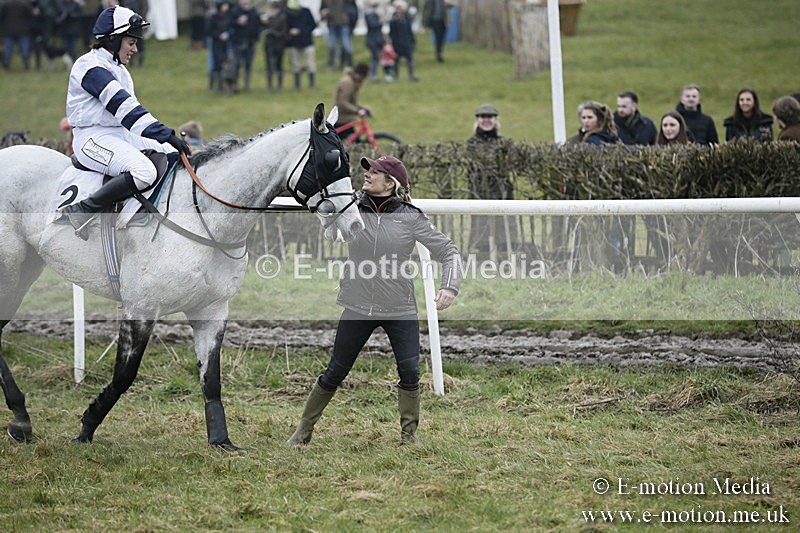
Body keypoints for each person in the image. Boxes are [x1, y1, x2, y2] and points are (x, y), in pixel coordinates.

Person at [286, 155, 461, 446]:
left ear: (390, 183)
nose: (366, 174)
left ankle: (409, 436)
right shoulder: (350, 206)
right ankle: (302, 431)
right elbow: (326, 215)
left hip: (399, 308)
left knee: (410, 373)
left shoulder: (410, 216)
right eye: (368, 170)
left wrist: (450, 287)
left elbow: (449, 250)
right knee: (335, 372)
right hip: (357, 305)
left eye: (375, 172)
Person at [62, 6, 190, 239]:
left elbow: (132, 118)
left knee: (174, 154)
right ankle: (83, 209)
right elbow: (125, 108)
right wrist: (166, 133)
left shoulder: (119, 70)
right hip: (91, 139)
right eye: (131, 42)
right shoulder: (89, 66)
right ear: (113, 39)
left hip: (118, 133)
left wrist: (168, 140)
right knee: (144, 172)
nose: (135, 49)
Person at [466, 103, 516, 256]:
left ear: (496, 119)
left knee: (505, 233)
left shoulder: (504, 142)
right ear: (477, 120)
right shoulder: (472, 143)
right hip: (480, 191)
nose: (486, 120)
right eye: (483, 117)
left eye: (490, 117)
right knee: (482, 233)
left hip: (503, 192)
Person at [334, 62, 371, 139]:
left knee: (354, 143)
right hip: (342, 119)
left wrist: (361, 108)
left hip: (346, 118)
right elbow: (343, 102)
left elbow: (351, 103)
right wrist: (357, 111)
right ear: (359, 75)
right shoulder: (347, 83)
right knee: (354, 145)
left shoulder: (352, 82)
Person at [286, 0, 316, 91]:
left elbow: (313, 25)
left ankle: (312, 85)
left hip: (307, 42)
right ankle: (297, 85)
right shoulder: (288, 14)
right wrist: (290, 32)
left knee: (310, 64)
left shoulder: (306, 12)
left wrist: (301, 32)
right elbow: (285, 27)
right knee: (296, 65)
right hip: (294, 43)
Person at [230, 0, 260, 91]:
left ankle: (247, 84)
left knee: (248, 64)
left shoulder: (253, 11)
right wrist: (237, 22)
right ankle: (234, 84)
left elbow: (257, 25)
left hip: (251, 41)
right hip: (238, 41)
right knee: (237, 64)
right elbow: (229, 23)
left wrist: (256, 37)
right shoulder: (234, 10)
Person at [206, 0, 234, 94]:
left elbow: (231, 28)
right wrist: (218, 35)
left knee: (225, 64)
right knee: (215, 65)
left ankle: (221, 87)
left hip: (225, 44)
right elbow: (209, 31)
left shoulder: (228, 17)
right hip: (216, 44)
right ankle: (212, 86)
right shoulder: (213, 17)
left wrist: (228, 34)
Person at [261, 0, 287, 92]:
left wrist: (272, 32)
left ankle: (279, 85)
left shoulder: (282, 17)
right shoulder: (267, 17)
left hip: (279, 44)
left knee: (279, 65)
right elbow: (262, 28)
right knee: (269, 66)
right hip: (269, 44)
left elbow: (283, 32)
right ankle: (270, 86)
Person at [388, 0, 417, 81]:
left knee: (410, 59)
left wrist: (412, 40)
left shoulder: (407, 17)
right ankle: (395, 76)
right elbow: (391, 32)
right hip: (397, 42)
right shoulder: (393, 19)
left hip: (406, 41)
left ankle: (412, 75)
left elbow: (409, 30)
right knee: (396, 60)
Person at [0, 0, 34, 70]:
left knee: (8, 49)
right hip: (23, 30)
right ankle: (26, 65)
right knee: (24, 48)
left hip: (9, 30)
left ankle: (7, 65)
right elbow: (30, 15)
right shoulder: (25, 4)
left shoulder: (5, 4)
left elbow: (1, 16)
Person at [320, 0, 352, 70]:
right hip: (332, 25)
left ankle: (349, 65)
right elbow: (321, 11)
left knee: (346, 47)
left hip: (343, 24)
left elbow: (352, 7)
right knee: (332, 47)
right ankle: (332, 65)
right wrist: (323, 14)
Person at [363, 2, 384, 82]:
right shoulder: (370, 15)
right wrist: (380, 19)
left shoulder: (374, 15)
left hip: (377, 40)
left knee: (376, 58)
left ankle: (373, 74)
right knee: (375, 58)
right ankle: (372, 75)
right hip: (372, 40)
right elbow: (373, 25)